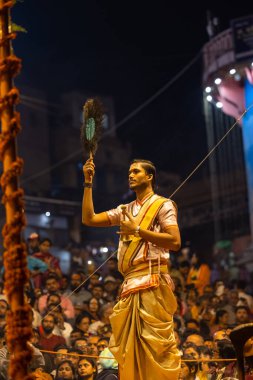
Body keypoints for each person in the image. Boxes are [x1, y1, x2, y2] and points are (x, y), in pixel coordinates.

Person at [82, 157, 181, 380]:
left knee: (155, 349)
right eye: (129, 172)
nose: (130, 175)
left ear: (149, 176)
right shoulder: (124, 210)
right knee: (129, 351)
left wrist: (137, 230)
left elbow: (175, 241)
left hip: (153, 281)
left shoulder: (163, 205)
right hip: (129, 286)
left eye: (136, 171)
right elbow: (88, 219)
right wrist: (88, 183)